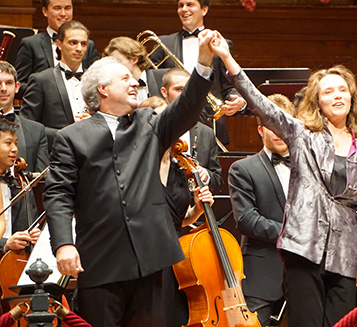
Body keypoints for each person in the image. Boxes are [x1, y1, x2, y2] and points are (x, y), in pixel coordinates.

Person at [43, 29, 217, 327]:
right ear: (102, 89)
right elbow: (58, 194)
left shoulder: (149, 124)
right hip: (100, 260)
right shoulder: (71, 137)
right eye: (124, 78)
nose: (135, 82)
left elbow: (188, 106)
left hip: (151, 260)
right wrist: (63, 244)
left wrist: (204, 60)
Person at [209, 32, 357, 327]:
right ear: (317, 101)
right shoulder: (302, 135)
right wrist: (227, 58)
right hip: (304, 252)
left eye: (342, 90)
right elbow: (260, 103)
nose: (337, 96)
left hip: (346, 256)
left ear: (352, 98)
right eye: (328, 92)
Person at [138, 95, 214, 327]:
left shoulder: (179, 168)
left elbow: (179, 220)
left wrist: (197, 210)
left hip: (178, 258)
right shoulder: (136, 168)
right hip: (145, 254)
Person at [228, 93, 296, 327]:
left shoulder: (310, 167)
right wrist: (293, 233)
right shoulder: (243, 169)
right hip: (261, 275)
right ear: (260, 130)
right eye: (270, 125)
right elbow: (247, 219)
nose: (278, 132)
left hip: (305, 273)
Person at [149, 0, 246, 145]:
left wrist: (238, 101)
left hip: (210, 122)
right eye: (180, 5)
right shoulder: (162, 44)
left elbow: (229, 86)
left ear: (204, 10)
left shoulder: (220, 43)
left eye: (190, 4)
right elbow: (152, 83)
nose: (184, 9)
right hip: (173, 121)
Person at [15, 0, 99, 97]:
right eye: (57, 8)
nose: (63, 14)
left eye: (67, 8)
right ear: (45, 11)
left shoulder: (88, 45)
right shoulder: (31, 44)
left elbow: (98, 82)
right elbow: (18, 86)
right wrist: (45, 92)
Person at [20, 20, 92, 149]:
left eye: (83, 44)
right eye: (73, 43)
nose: (79, 48)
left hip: (91, 152)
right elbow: (27, 124)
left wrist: (93, 120)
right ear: (59, 44)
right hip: (55, 153)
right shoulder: (41, 80)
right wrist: (58, 134)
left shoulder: (95, 80)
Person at [0, 61, 46, 254]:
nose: (3, 88)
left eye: (8, 83)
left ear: (17, 87)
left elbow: (43, 184)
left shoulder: (36, 130)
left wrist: (38, 227)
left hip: (22, 231)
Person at [161, 68, 223, 193]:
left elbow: (218, 180)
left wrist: (206, 176)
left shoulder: (206, 133)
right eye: (178, 89)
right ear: (164, 92)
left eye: (188, 89)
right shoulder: (153, 126)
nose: (184, 94)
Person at [104, 36, 166, 104]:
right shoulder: (114, 88)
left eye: (118, 60)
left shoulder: (163, 77)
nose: (114, 66)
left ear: (134, 60)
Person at [0, 118, 20, 242]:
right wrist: (4, 244)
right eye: (8, 143)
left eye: (16, 143)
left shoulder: (15, 183)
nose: (14, 149)